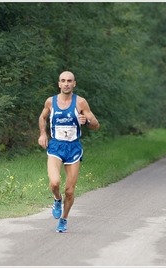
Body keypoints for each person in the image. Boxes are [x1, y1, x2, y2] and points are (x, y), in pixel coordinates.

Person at [38, 71, 100, 233]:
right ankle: (57, 199)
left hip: (73, 148)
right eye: (63, 81)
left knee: (70, 190)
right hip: (56, 146)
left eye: (69, 81)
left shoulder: (81, 103)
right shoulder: (50, 102)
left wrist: (86, 122)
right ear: (59, 84)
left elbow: (96, 124)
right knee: (54, 182)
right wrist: (43, 134)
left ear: (74, 84)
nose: (66, 83)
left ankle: (64, 219)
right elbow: (42, 117)